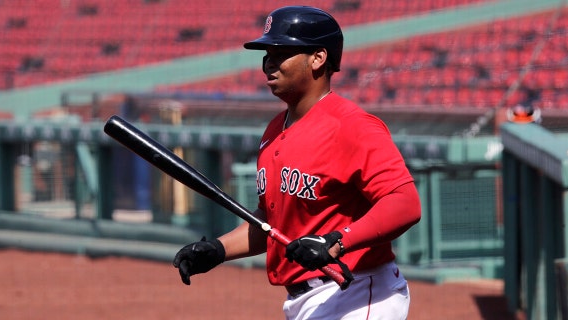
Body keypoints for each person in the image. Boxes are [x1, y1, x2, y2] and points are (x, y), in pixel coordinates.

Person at [173, 6, 421, 319]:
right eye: (267, 55)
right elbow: (271, 224)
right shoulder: (275, 130)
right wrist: (218, 250)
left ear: (318, 58)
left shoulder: (352, 126)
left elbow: (405, 203)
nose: (269, 64)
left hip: (356, 290)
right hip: (306, 301)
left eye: (281, 53)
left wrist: (336, 242)